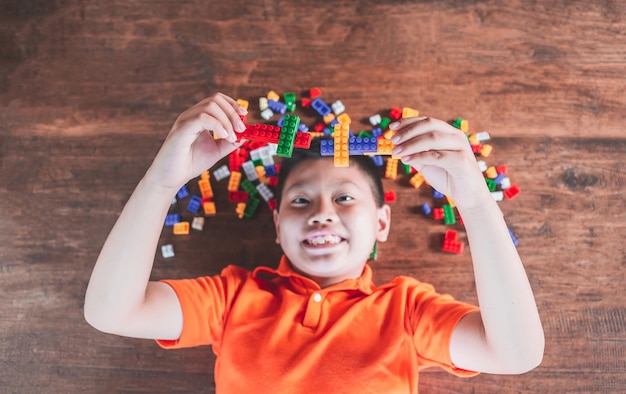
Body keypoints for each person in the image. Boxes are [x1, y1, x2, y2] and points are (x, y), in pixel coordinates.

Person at [84, 92, 544, 393]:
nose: (322, 212)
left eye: (345, 197)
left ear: (382, 222)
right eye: (300, 201)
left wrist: (477, 204)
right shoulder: (232, 299)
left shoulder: (407, 311)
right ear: (277, 226)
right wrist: (164, 182)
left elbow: (516, 353)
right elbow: (111, 312)